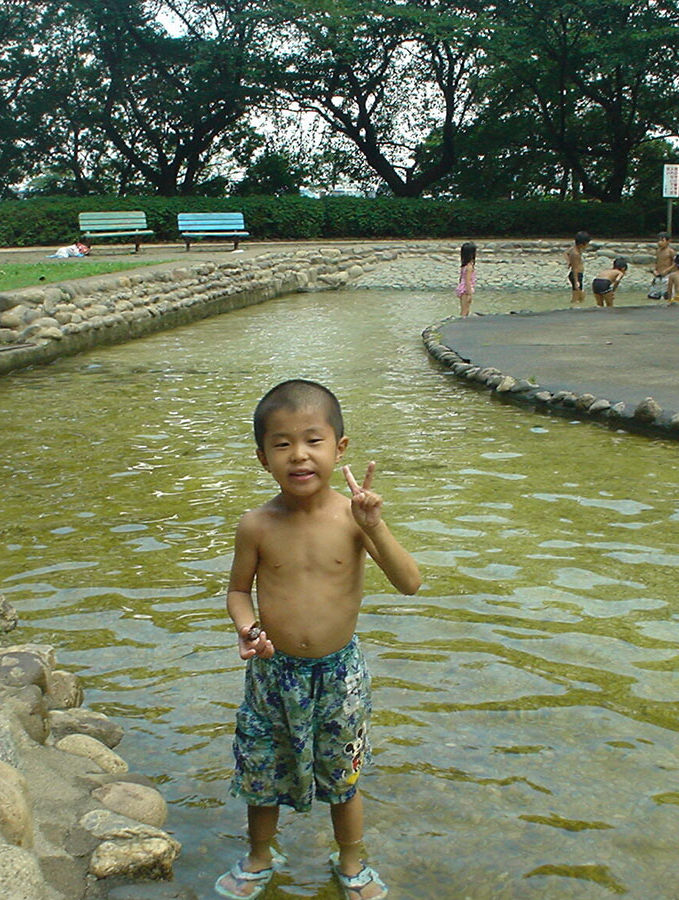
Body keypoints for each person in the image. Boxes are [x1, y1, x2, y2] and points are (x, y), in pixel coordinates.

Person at [216, 379, 421, 900]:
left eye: (313, 440)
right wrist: (248, 628)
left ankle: (350, 861)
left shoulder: (354, 520)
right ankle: (261, 856)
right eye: (281, 444)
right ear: (262, 457)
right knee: (261, 769)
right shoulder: (256, 524)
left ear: (340, 448)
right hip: (272, 672)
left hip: (339, 674)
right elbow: (239, 591)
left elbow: (409, 582)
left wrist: (374, 527)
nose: (298, 455)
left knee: (342, 772)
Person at [564, 231, 591, 304]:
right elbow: (575, 268)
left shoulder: (574, 249)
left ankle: (578, 309)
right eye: (587, 244)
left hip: (576, 274)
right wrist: (576, 282)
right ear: (583, 244)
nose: (587, 246)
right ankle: (573, 310)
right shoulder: (576, 254)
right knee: (576, 298)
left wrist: (569, 261)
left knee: (581, 297)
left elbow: (566, 252)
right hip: (576, 275)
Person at [649, 232, 676, 299]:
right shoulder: (658, 251)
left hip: (667, 275)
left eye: (662, 240)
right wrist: (654, 270)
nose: (659, 242)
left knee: (666, 296)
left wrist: (667, 270)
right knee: (652, 296)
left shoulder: (671, 251)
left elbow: (675, 264)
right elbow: (657, 262)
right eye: (658, 240)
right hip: (658, 275)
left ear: (668, 241)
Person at [456, 241, 477, 317]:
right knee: (465, 310)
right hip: (465, 289)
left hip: (461, 288)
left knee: (463, 309)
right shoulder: (469, 267)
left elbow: (461, 278)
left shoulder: (464, 266)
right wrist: (469, 293)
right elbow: (468, 281)